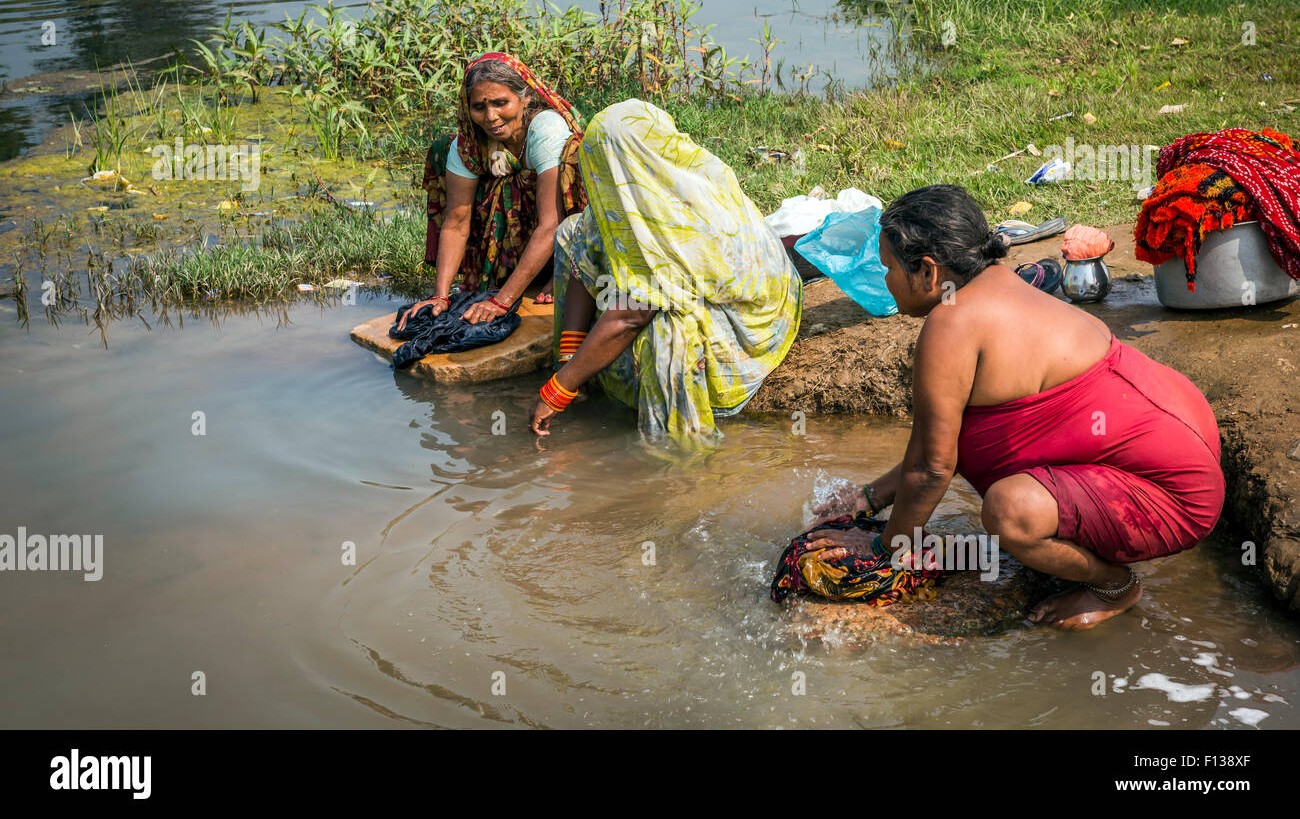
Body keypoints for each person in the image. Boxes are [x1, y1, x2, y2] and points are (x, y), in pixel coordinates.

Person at [806, 184, 1224, 629]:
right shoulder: (1004, 283)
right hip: (1184, 448)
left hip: (1171, 500)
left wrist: (882, 550)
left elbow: (932, 469)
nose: (885, 279)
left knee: (1008, 512)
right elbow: (933, 448)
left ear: (928, 271)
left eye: (888, 266)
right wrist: (868, 498)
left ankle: (1115, 585)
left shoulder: (951, 323)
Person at [527, 99, 803, 445]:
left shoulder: (687, 219)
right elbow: (584, 242)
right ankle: (574, 357)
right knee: (574, 231)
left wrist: (558, 391)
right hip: (675, 293)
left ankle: (679, 451)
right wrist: (568, 365)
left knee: (666, 335)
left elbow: (632, 314)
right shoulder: (654, 184)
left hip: (743, 321)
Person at [397, 52, 586, 330]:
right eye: (479, 107)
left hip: (561, 231)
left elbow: (551, 225)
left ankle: (563, 271)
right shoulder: (469, 144)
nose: (491, 117)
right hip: (527, 234)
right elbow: (457, 221)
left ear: (524, 98)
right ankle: (518, 273)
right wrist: (440, 295)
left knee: (574, 159)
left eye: (501, 103)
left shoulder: (545, 131)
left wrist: (501, 301)